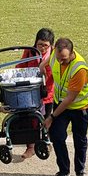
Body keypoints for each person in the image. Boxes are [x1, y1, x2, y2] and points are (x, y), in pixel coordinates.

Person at [44, 38, 88, 176]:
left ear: (72, 53)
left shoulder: (79, 69)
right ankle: (64, 170)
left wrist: (51, 117)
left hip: (79, 107)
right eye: (58, 58)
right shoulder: (56, 55)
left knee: (79, 138)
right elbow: (50, 60)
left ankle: (80, 171)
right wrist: (42, 65)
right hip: (60, 103)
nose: (60, 62)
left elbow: (70, 99)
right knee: (56, 135)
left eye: (64, 59)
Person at [18, 28, 55, 161]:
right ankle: (31, 147)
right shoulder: (29, 51)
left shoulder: (55, 55)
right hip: (31, 91)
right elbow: (20, 67)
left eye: (46, 45)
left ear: (51, 45)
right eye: (40, 44)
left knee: (47, 118)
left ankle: (46, 142)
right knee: (30, 119)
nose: (42, 48)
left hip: (48, 93)